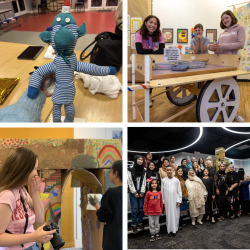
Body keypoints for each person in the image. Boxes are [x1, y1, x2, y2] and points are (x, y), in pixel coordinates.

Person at [0, 147, 56, 250]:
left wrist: (35, 193)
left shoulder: (22, 190)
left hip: (32, 246)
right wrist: (33, 236)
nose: (36, 173)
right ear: (22, 169)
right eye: (34, 168)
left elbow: (39, 219)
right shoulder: (7, 196)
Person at [208, 10, 245, 123]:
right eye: (223, 19)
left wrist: (221, 46)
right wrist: (211, 46)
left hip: (231, 64)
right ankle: (222, 108)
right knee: (220, 88)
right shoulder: (222, 33)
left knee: (232, 89)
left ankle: (234, 113)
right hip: (219, 64)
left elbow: (240, 44)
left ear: (232, 17)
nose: (224, 20)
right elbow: (217, 45)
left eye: (226, 17)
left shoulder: (239, 28)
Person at [135, 15, 165, 107]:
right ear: (145, 23)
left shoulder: (160, 34)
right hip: (143, 58)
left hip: (154, 58)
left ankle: (149, 94)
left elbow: (162, 51)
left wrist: (151, 52)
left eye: (155, 23)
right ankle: (148, 95)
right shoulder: (139, 33)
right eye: (151, 22)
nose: (153, 25)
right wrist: (153, 50)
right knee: (148, 76)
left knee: (151, 76)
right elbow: (139, 51)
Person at [95, 160, 122, 250]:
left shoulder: (111, 193)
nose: (110, 174)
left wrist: (96, 205)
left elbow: (103, 217)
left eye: (110, 172)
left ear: (116, 173)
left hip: (113, 240)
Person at [127, 155, 146, 233]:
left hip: (141, 192)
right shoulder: (130, 169)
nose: (140, 161)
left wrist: (141, 192)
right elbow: (130, 182)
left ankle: (140, 223)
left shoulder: (144, 170)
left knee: (141, 208)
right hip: (133, 192)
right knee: (134, 209)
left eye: (141, 160)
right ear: (135, 160)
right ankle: (134, 224)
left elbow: (144, 182)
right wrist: (134, 192)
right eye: (139, 159)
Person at [161, 165, 182, 237]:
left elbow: (179, 191)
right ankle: (169, 230)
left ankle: (174, 230)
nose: (169, 171)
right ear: (166, 171)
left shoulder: (176, 180)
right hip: (167, 202)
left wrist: (179, 200)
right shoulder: (163, 181)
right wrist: (163, 202)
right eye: (168, 170)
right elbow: (162, 192)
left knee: (175, 215)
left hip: (175, 201)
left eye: (170, 170)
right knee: (168, 216)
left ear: (173, 170)